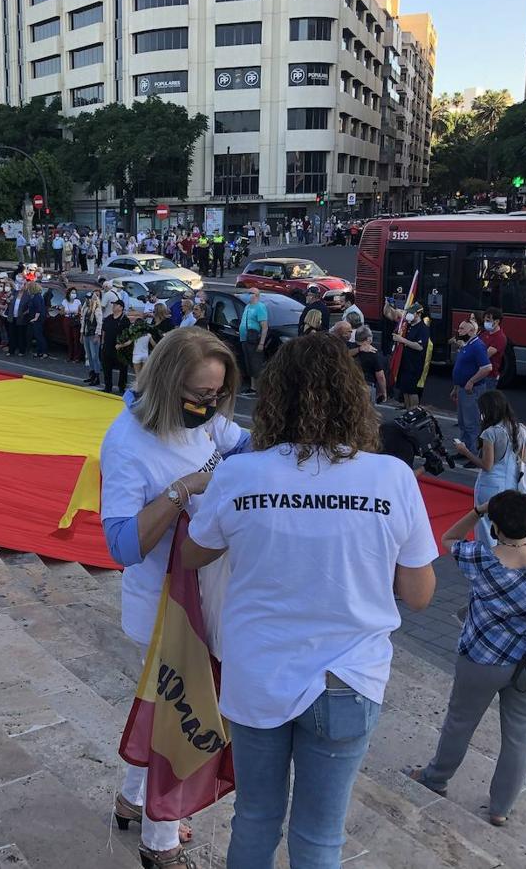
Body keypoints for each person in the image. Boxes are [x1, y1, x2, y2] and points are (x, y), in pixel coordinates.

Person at [181, 333, 437, 869]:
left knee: (254, 817)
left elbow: (192, 555)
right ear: (353, 396)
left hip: (258, 673)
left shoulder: (239, 473)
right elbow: (418, 595)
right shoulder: (392, 477)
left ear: (274, 399)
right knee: (321, 836)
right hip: (348, 677)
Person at [101, 328, 249, 869]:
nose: (209, 407)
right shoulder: (125, 443)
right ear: (166, 384)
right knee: (177, 720)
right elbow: (121, 545)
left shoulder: (207, 420)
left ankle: (131, 799)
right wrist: (182, 489)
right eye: (200, 395)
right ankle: (160, 842)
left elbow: (242, 443)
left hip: (199, 600)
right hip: (162, 610)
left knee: (161, 708)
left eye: (217, 396)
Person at [408, 492, 526, 828]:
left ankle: (436, 778)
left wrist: (478, 510)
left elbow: (449, 538)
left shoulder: (479, 558)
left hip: (482, 658)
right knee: (519, 735)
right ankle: (501, 807)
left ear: (496, 526)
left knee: (460, 722)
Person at [453, 390, 526, 547]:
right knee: (505, 523)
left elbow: (487, 465)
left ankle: (489, 556)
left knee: (486, 526)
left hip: (490, 484)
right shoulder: (518, 428)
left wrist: (465, 451)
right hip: (511, 482)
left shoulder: (490, 433)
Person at [451, 319, 492, 457]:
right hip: (463, 389)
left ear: (472, 331)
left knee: (471, 423)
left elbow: (487, 368)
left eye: (462, 328)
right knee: (463, 422)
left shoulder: (477, 346)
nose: (459, 330)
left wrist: (471, 381)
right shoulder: (468, 345)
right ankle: (465, 451)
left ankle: (474, 454)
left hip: (471, 391)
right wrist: (456, 387)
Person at [390, 302, 430, 408]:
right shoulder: (407, 326)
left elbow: (419, 346)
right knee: (405, 390)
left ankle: (414, 412)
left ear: (419, 314)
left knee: (412, 390)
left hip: (414, 365)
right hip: (404, 363)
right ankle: (408, 411)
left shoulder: (423, 329)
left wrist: (402, 340)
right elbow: (393, 315)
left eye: (412, 313)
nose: (409, 315)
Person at [238, 289, 269, 395]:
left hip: (253, 339)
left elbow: (264, 327)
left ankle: (257, 388)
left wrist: (261, 343)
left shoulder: (260, 307)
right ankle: (252, 387)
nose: (247, 295)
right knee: (249, 363)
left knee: (255, 363)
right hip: (245, 339)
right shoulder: (247, 306)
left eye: (250, 293)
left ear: (256, 295)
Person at [100, 299, 130, 395]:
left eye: (115, 305)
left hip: (119, 349)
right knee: (106, 367)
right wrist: (102, 343)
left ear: (121, 307)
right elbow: (104, 331)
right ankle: (108, 386)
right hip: (107, 347)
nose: (113, 307)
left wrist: (122, 345)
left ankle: (122, 387)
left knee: (123, 368)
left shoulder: (125, 320)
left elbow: (128, 335)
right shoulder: (109, 318)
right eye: (113, 305)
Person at [354, 326, 386, 404]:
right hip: (366, 386)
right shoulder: (373, 353)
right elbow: (380, 376)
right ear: (368, 339)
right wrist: (383, 392)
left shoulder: (350, 349)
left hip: (351, 384)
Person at [478, 308, 508, 392]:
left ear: (497, 321)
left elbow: (485, 355)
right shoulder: (485, 334)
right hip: (479, 373)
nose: (485, 323)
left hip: (489, 377)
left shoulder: (500, 338)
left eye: (488, 320)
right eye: (485, 320)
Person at [81, 291, 103, 385]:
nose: (88, 300)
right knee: (89, 355)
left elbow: (99, 323)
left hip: (93, 334)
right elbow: (83, 322)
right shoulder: (86, 309)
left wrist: (97, 335)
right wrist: (81, 334)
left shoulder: (97, 310)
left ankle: (97, 376)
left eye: (89, 298)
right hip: (86, 334)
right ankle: (92, 374)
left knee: (95, 356)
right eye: (87, 298)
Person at [26, 281, 48, 358]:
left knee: (39, 336)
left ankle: (43, 352)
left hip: (38, 319)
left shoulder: (37, 297)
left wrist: (35, 318)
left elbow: (38, 309)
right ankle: (39, 352)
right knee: (37, 335)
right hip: (37, 318)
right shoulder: (35, 296)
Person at [63, 286, 84, 362]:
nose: (73, 294)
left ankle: (77, 357)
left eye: (75, 293)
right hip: (67, 319)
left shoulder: (78, 301)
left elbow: (81, 311)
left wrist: (77, 312)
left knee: (76, 339)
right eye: (72, 293)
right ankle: (70, 356)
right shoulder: (65, 301)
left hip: (75, 320)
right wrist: (67, 312)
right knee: (69, 339)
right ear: (69, 293)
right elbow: (61, 311)